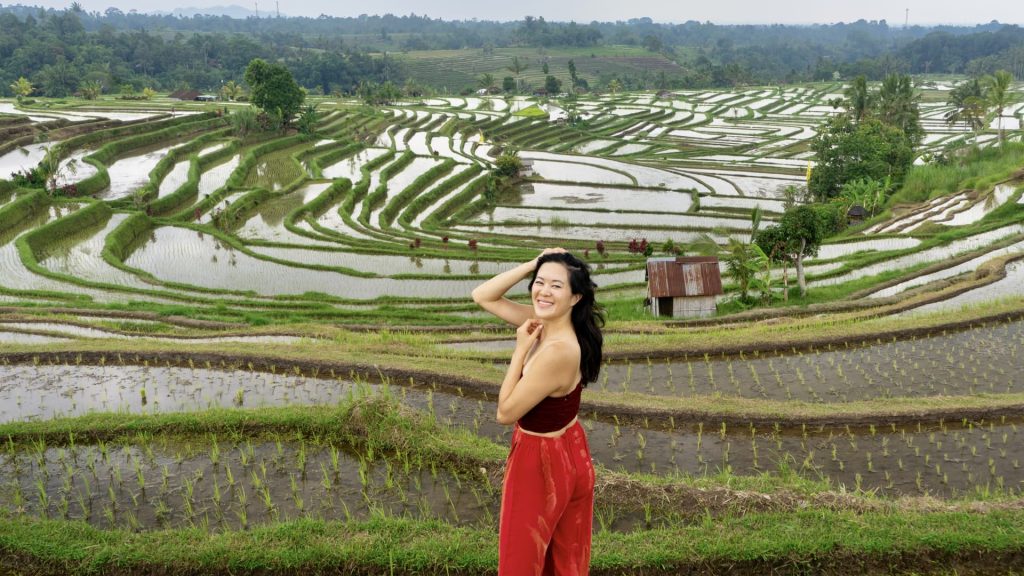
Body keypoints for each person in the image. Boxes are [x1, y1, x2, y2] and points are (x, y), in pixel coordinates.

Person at [472, 248, 604, 575]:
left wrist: (519, 352)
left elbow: (505, 412)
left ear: (575, 297)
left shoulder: (556, 350)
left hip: (540, 458)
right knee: (563, 561)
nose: (543, 291)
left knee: (520, 561)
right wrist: (536, 262)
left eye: (556, 286)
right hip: (570, 446)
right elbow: (483, 295)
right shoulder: (549, 325)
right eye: (539, 282)